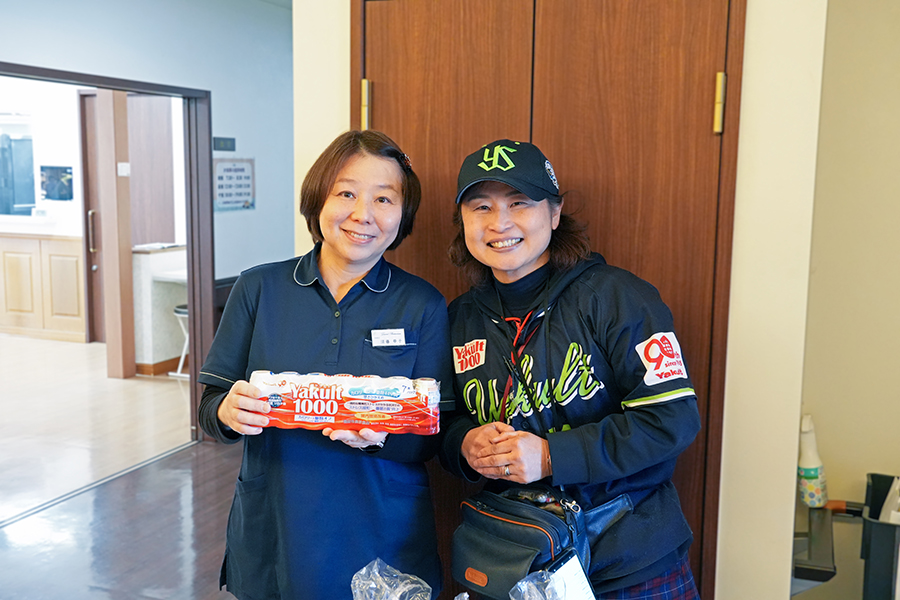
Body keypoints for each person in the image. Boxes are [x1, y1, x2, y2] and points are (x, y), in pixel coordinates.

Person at [440, 139, 702, 598]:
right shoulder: (460, 317)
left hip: (629, 563)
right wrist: (464, 443)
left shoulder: (617, 297)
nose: (499, 223)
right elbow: (441, 422)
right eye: (481, 207)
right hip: (519, 562)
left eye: (519, 203)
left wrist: (549, 456)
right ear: (463, 222)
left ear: (555, 213)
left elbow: (671, 420)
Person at [198, 130, 453, 599]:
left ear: (403, 214)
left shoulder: (423, 304)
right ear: (318, 199)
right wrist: (227, 412)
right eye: (347, 193)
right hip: (278, 523)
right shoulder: (258, 289)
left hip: (383, 530)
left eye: (384, 199)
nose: (363, 214)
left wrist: (382, 439)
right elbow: (210, 409)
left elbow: (436, 432)